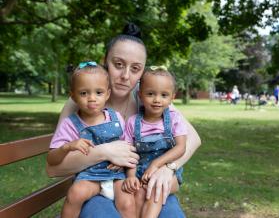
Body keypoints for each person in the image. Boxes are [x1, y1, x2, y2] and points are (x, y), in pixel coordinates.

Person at [46, 23, 201, 218]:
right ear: (105, 61)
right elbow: (54, 167)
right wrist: (103, 152)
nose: (125, 76)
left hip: (142, 186)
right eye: (118, 64)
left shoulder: (147, 96)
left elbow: (193, 139)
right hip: (96, 188)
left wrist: (168, 168)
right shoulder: (81, 101)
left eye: (135, 69)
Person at [47, 62, 136, 218]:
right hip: (89, 176)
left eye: (99, 92)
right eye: (83, 93)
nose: (92, 99)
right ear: (73, 96)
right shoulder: (71, 124)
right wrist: (67, 147)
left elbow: (129, 146)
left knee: (127, 202)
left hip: (116, 175)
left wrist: (124, 163)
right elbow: (52, 159)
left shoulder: (117, 119)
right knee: (75, 193)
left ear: (107, 94)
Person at [123, 67, 187, 218]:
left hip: (168, 174)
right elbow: (129, 153)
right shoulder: (133, 122)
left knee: (154, 189)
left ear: (172, 97)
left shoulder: (174, 119)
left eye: (164, 95)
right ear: (140, 95)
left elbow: (181, 147)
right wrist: (131, 176)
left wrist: (156, 164)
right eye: (150, 94)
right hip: (141, 173)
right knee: (138, 194)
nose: (157, 100)